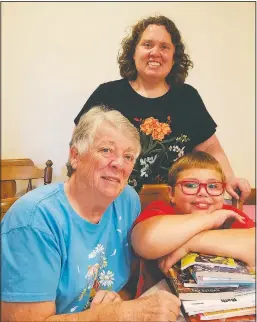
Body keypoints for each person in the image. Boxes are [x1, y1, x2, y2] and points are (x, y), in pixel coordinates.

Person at [1, 106, 181, 322]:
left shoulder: (127, 200)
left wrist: (119, 302)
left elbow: (128, 283)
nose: (118, 164)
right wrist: (117, 314)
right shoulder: (34, 220)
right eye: (106, 150)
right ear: (75, 156)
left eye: (128, 157)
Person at [74, 15, 251, 200]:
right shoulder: (107, 94)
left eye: (164, 47)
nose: (155, 53)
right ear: (133, 53)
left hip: (172, 205)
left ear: (174, 58)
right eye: (148, 44)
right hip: (110, 202)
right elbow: (79, 145)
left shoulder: (188, 98)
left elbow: (211, 148)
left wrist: (229, 179)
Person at [130, 151, 255, 296]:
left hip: (224, 299)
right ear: (171, 194)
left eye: (213, 186)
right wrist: (211, 219)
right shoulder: (160, 211)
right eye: (190, 185)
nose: (203, 193)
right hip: (163, 302)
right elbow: (145, 242)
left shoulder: (229, 214)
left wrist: (190, 244)